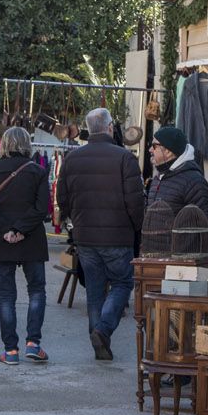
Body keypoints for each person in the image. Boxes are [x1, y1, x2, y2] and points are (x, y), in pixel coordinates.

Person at [56, 107, 144, 360]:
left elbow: (63, 198)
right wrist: (136, 227)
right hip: (118, 236)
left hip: (85, 236)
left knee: (94, 290)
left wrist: (75, 220)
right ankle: (103, 331)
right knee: (122, 283)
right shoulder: (124, 158)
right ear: (108, 128)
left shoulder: (73, 158)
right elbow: (135, 201)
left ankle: (98, 337)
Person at [0, 126, 49, 365]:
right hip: (31, 239)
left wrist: (7, 231)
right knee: (37, 291)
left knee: (6, 296)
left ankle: (10, 350)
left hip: (1, 242)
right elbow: (42, 209)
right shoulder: (38, 171)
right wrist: (21, 229)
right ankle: (33, 343)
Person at [145, 125, 208, 219]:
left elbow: (205, 222)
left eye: (154, 146)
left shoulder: (193, 182)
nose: (150, 150)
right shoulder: (159, 177)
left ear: (169, 151)